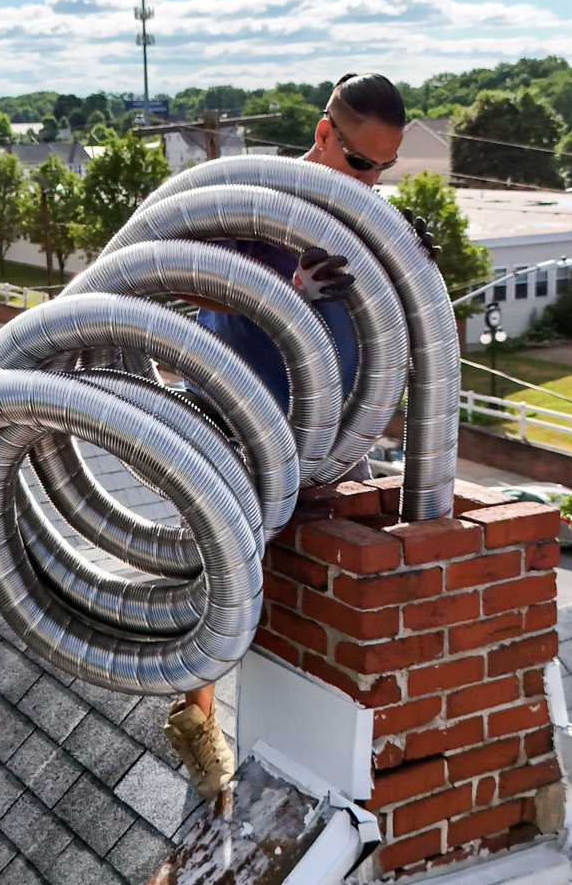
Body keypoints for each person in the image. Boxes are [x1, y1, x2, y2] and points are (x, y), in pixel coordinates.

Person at [163, 72, 420, 804]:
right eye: (361, 163)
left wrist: (411, 255)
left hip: (316, 428)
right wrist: (286, 292)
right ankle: (195, 724)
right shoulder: (258, 193)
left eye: (384, 168)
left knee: (299, 564)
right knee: (223, 574)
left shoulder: (364, 213)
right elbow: (183, 279)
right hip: (234, 414)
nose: (371, 181)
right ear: (322, 134)